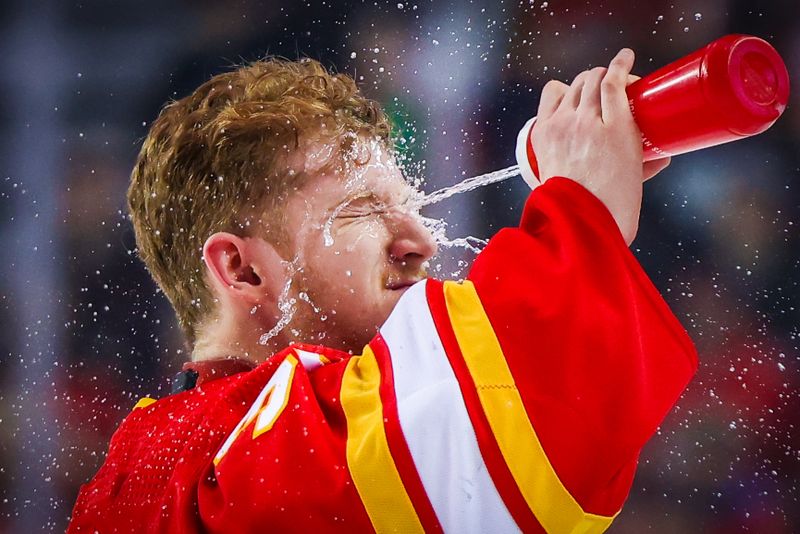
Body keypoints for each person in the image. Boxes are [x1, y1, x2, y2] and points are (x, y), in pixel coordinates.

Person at [68, 48, 697, 533]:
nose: (421, 242)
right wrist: (582, 208)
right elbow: (523, 427)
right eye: (363, 210)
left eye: (413, 208)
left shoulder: (150, 461)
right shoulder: (225, 456)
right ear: (242, 271)